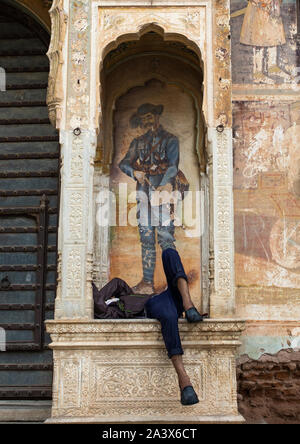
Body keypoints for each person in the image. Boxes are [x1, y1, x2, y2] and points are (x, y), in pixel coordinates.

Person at [93, 247, 206, 406]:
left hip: (159, 299)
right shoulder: (105, 311)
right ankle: (184, 381)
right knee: (168, 316)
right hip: (153, 310)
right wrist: (93, 294)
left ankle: (188, 304)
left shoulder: (118, 298)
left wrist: (110, 296)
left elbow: (117, 283)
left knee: (169, 253)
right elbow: (97, 301)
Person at [119, 103, 180, 295]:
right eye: (143, 118)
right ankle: (147, 283)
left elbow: (173, 166)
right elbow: (123, 163)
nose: (147, 121)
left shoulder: (170, 140)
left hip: (163, 192)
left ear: (156, 117)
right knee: (146, 237)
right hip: (144, 192)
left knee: (166, 238)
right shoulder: (138, 142)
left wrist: (163, 184)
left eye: (149, 117)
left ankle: (175, 286)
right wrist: (134, 172)